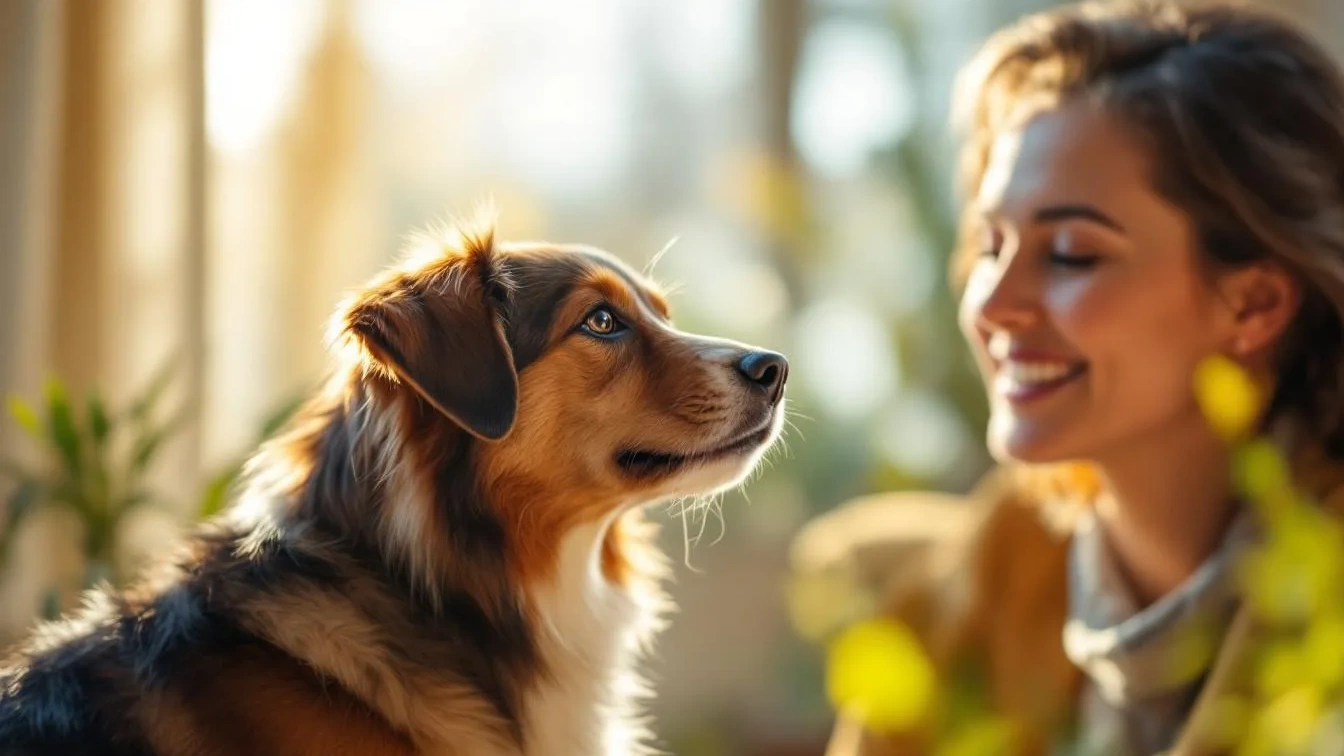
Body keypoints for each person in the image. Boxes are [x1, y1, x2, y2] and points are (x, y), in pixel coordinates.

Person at [791, 1, 1344, 754]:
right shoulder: (966, 601)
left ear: (1254, 303)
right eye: (991, 246)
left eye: (1072, 254)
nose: (994, 306)